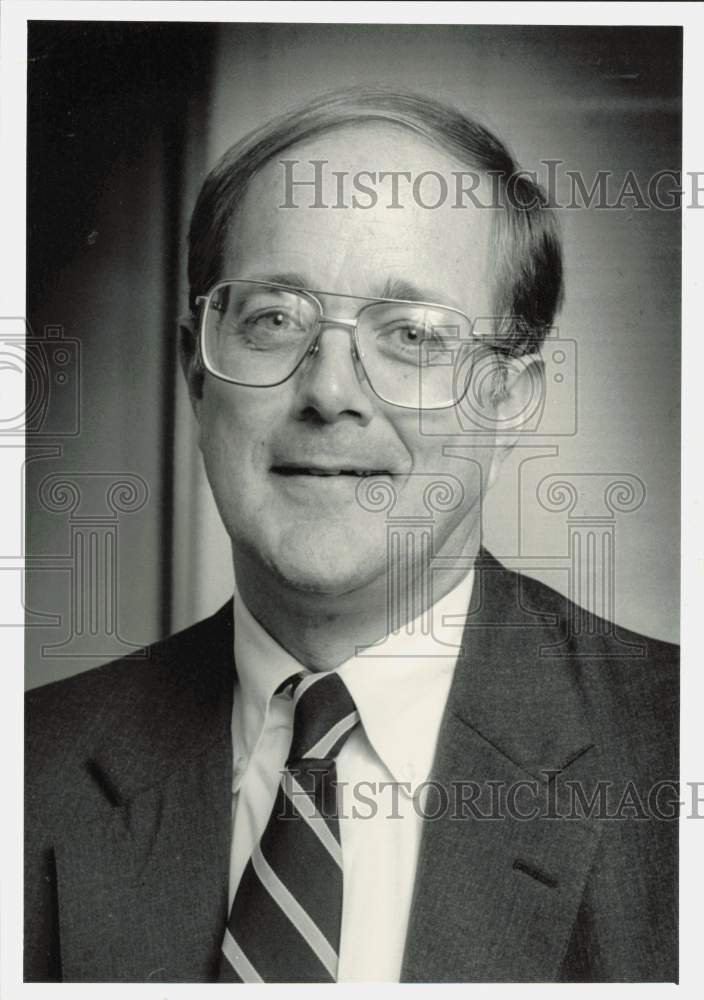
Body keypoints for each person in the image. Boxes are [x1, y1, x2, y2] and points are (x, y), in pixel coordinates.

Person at [24, 89, 678, 983]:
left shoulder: (674, 751)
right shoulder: (25, 773)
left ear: (511, 397)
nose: (330, 391)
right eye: (274, 319)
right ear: (196, 374)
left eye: (410, 334)